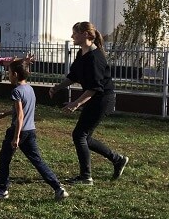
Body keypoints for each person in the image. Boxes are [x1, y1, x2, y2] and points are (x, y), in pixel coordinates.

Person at [48, 21, 129, 185]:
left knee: (80, 135)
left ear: (85, 34)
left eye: (75, 33)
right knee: (84, 136)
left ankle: (86, 177)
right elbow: (73, 76)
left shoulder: (95, 58)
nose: (72, 36)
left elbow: (94, 88)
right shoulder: (82, 54)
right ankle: (117, 159)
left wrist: (76, 104)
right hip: (95, 98)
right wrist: (58, 87)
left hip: (103, 99)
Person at [0, 59, 68, 201]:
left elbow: (20, 115)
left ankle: (2, 190)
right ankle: (58, 188)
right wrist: (5, 114)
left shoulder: (16, 91)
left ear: (15, 74)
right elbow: (23, 109)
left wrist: (16, 137)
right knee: (37, 160)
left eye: (9, 72)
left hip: (18, 131)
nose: (8, 75)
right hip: (30, 130)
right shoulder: (29, 89)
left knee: (4, 160)